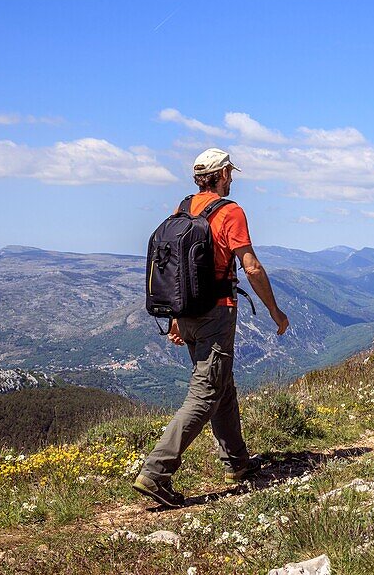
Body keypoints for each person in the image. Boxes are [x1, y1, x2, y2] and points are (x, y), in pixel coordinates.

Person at [132, 148, 290, 508]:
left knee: (221, 382)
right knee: (205, 392)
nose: (232, 179)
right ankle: (156, 472)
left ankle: (236, 462)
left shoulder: (183, 209)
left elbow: (176, 272)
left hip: (187, 313)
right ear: (219, 175)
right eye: (229, 173)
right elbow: (250, 267)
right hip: (216, 312)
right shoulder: (229, 212)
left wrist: (176, 317)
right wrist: (275, 311)